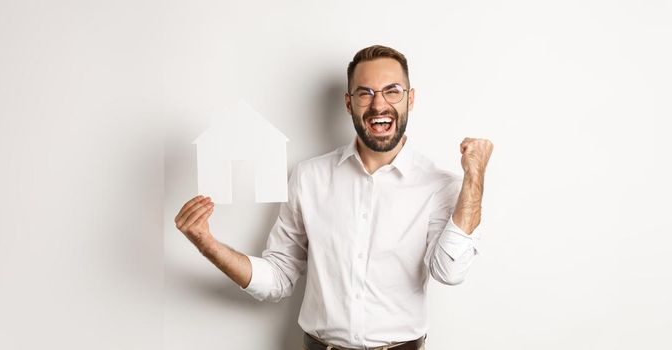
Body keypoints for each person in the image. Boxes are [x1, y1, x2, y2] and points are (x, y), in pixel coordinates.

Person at [175, 45, 493, 350]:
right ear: (348, 102)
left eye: (392, 91)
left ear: (410, 100)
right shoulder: (308, 177)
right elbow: (278, 279)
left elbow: (449, 272)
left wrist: (475, 177)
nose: (378, 105)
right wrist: (208, 244)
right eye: (364, 93)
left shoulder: (441, 186)